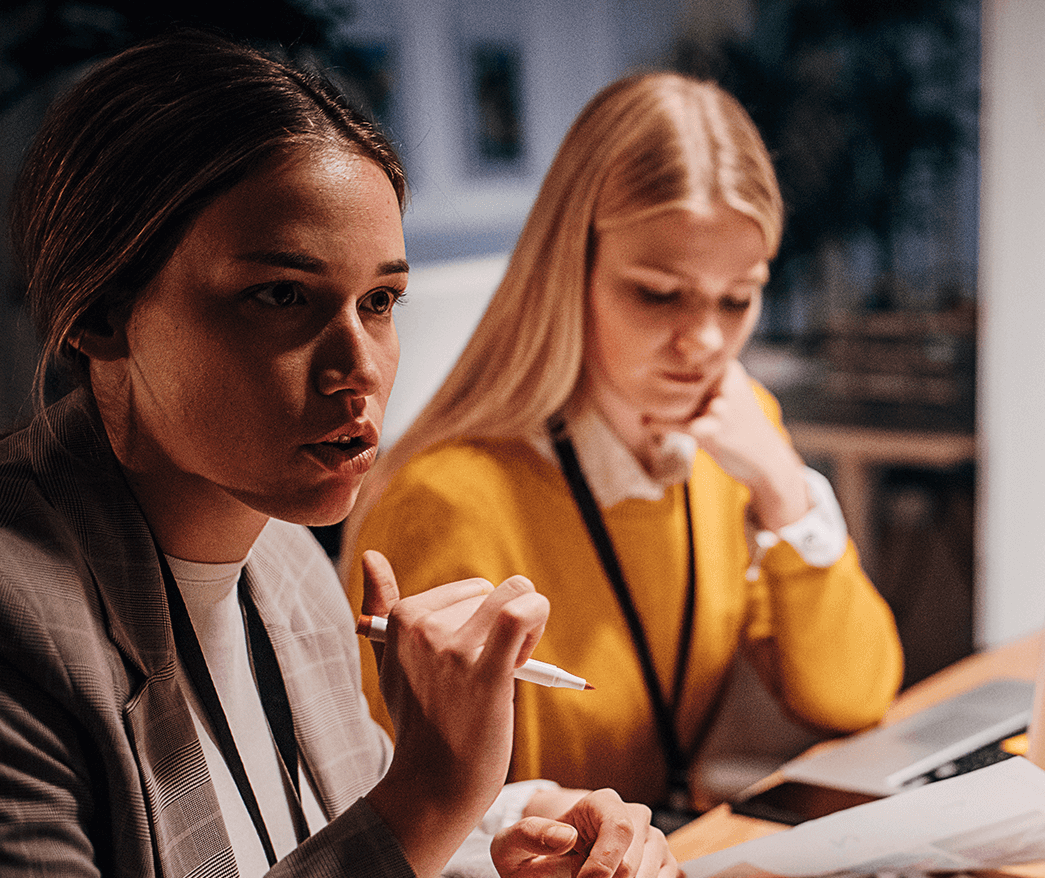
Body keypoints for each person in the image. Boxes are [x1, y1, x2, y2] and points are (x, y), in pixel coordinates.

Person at [0, 34, 682, 878]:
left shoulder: (286, 559)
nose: (360, 368)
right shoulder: (18, 622)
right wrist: (429, 794)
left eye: (380, 300)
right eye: (280, 297)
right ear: (100, 312)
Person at [344, 74, 903, 822]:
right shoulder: (448, 498)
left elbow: (853, 695)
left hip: (664, 866)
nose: (705, 342)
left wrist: (782, 486)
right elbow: (397, 818)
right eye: (659, 293)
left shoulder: (733, 444)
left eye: (737, 299)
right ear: (570, 275)